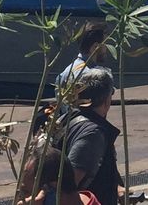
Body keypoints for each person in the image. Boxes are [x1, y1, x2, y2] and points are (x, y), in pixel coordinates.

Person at [59, 67, 124, 205]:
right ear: (106, 100)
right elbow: (68, 186)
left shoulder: (66, 119)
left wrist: (117, 187)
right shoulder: (92, 134)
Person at [56, 23, 108, 90]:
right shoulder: (88, 76)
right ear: (95, 47)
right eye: (106, 44)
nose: (107, 48)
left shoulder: (69, 70)